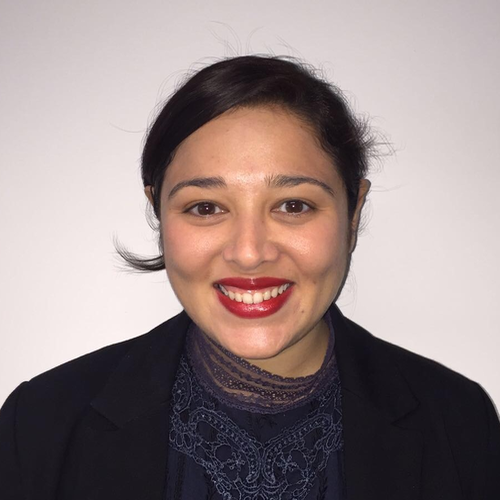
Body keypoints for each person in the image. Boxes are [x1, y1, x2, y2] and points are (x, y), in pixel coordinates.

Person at [1, 55, 499, 500]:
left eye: (293, 205)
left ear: (353, 213)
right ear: (158, 213)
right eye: (205, 207)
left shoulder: (461, 422)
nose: (249, 253)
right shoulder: (39, 424)